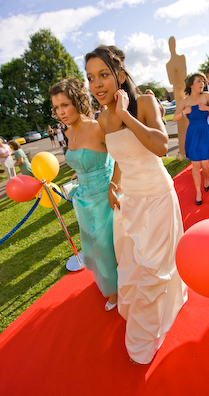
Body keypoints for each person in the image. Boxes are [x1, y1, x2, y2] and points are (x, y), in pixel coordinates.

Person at [85, 45, 187, 365]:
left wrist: (126, 115)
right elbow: (120, 156)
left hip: (157, 198)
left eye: (104, 75)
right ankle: (138, 316)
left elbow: (160, 146)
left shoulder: (144, 102)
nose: (97, 84)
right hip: (129, 203)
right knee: (131, 267)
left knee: (154, 273)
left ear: (121, 75)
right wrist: (115, 183)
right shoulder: (102, 118)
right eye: (90, 77)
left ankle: (141, 344)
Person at [49, 77, 118, 311]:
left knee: (106, 245)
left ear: (77, 101)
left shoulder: (98, 127)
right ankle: (111, 283)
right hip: (83, 199)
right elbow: (81, 159)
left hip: (104, 197)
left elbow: (119, 155)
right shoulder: (67, 133)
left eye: (64, 105)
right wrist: (80, 172)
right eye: (56, 107)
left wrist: (112, 183)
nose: (61, 112)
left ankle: (116, 291)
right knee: (95, 246)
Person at [174, 73, 209, 205]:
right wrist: (184, 112)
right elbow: (175, 117)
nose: (202, 84)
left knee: (205, 165)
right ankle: (198, 193)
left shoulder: (206, 96)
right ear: (191, 84)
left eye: (203, 82)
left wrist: (207, 108)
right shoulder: (185, 101)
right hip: (193, 133)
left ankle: (206, 178)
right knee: (195, 165)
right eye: (199, 81)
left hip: (205, 132)